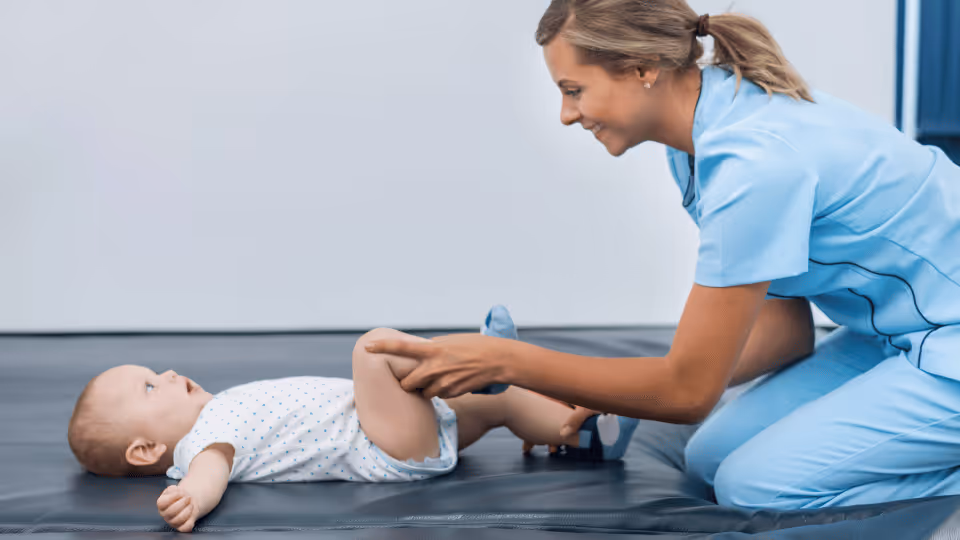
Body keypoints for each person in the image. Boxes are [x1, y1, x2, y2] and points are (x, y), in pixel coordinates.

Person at [365, 0, 960, 510]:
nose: (567, 114)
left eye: (574, 90)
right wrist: (599, 390)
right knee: (708, 458)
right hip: (898, 333)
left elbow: (688, 392)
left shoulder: (753, 166)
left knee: (759, 489)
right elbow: (784, 335)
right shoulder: (705, 136)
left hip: (949, 343)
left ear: (644, 68)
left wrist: (508, 362)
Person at [66, 307, 638, 533]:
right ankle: (474, 360)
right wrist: (192, 495)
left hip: (403, 427)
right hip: (383, 446)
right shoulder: (202, 441)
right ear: (145, 451)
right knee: (374, 349)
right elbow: (214, 468)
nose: (166, 374)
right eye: (149, 385)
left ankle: (586, 434)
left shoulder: (219, 408)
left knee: (500, 407)